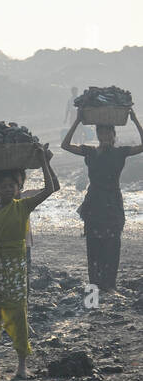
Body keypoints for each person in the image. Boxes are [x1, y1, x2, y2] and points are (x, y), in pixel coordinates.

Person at [0, 149, 60, 378]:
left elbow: (50, 189)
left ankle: (21, 365)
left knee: (18, 311)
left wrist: (44, 162)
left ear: (18, 189)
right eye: (3, 185)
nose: (8, 189)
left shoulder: (24, 206)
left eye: (12, 185)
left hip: (16, 266)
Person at [61, 108, 143, 293]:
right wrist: (77, 121)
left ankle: (110, 286)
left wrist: (135, 120)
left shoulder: (121, 152)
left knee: (113, 244)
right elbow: (65, 145)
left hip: (113, 202)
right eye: (101, 133)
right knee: (94, 245)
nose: (104, 136)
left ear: (114, 135)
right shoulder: (90, 152)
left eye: (108, 132)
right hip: (95, 203)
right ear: (97, 135)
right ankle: (95, 289)